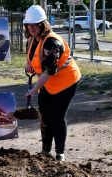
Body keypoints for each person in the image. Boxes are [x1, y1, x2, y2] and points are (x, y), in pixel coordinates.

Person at [23, 5, 81, 161]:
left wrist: (34, 89)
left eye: (35, 24)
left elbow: (49, 71)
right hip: (48, 82)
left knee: (56, 117)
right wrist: (28, 63)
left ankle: (59, 153)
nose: (31, 27)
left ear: (43, 24)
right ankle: (45, 151)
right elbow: (31, 55)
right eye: (29, 24)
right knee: (45, 116)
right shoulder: (31, 39)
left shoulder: (52, 43)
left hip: (65, 81)